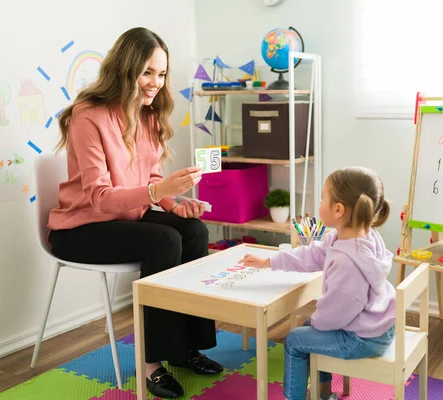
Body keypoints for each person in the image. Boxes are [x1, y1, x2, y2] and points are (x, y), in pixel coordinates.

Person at [47, 27, 222, 399]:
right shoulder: (87, 116)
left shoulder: (148, 115)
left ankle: (184, 348)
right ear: (125, 69)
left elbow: (153, 177)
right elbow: (99, 198)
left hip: (126, 218)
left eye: (161, 74)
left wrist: (177, 202)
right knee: (163, 239)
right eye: (147, 72)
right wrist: (160, 192)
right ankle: (151, 363)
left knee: (193, 230)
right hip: (80, 228)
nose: (155, 83)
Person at [239, 167, 396, 400]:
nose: (320, 202)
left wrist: (318, 320)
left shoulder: (348, 261)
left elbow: (337, 312)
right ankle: (322, 394)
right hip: (374, 323)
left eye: (323, 197)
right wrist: (269, 261)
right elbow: (312, 255)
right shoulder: (353, 235)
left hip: (364, 338)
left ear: (338, 209)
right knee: (309, 325)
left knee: (294, 340)